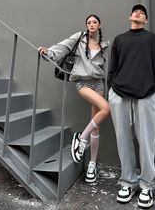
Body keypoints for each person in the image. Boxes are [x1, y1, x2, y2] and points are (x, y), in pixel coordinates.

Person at [38, 14, 110, 183]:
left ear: (99, 25)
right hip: (82, 83)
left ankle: (92, 165)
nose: (91, 24)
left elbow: (105, 67)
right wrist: (48, 52)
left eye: (94, 22)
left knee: (96, 125)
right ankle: (81, 139)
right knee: (106, 109)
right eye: (88, 22)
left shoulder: (103, 45)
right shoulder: (79, 38)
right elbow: (63, 47)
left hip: (99, 84)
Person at [107, 4, 155, 208]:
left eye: (142, 12)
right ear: (130, 16)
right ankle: (128, 181)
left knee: (147, 140)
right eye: (135, 11)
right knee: (123, 140)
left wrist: (154, 88)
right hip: (120, 94)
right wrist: (111, 89)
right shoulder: (120, 40)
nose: (138, 12)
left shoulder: (152, 39)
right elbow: (112, 68)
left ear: (146, 20)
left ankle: (147, 185)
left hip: (145, 94)